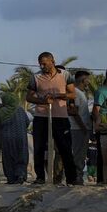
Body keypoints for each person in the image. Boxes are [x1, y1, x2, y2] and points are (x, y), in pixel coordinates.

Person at [26, 52, 76, 184]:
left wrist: (58, 96)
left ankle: (71, 178)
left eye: (45, 63)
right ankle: (40, 177)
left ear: (52, 61)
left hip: (60, 116)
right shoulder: (36, 78)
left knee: (65, 147)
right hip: (41, 116)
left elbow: (72, 94)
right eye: (40, 64)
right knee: (39, 148)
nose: (43, 66)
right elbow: (29, 97)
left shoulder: (65, 75)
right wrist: (42, 100)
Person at [67, 70, 94, 185]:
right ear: (83, 79)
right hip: (77, 128)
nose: (89, 81)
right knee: (78, 154)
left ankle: (77, 176)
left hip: (81, 127)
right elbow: (74, 112)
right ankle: (76, 177)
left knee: (81, 154)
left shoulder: (81, 93)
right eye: (88, 79)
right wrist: (83, 127)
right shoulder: (76, 93)